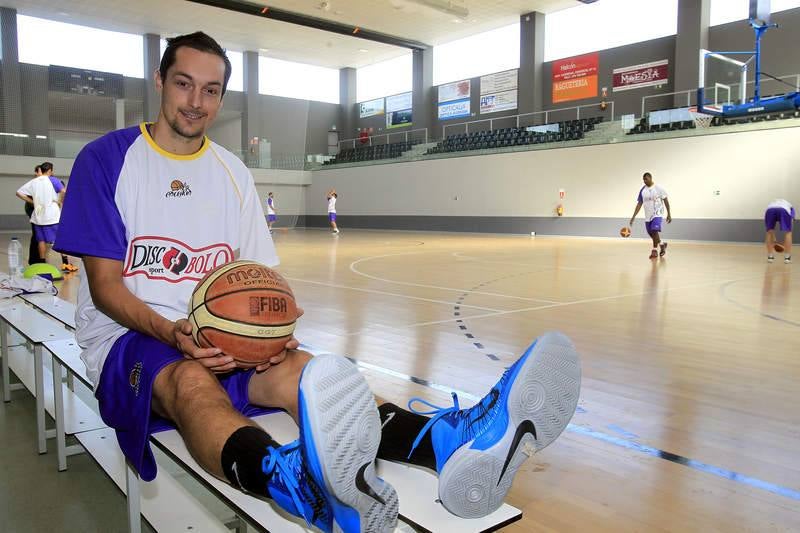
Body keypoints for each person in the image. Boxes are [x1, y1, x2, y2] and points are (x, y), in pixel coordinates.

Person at [54, 32, 580, 533]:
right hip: (132, 341)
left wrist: (273, 326)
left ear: (222, 96)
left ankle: (447, 441)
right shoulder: (107, 161)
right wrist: (175, 334)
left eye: (210, 90)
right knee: (190, 381)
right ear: (160, 80)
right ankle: (298, 486)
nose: (196, 101)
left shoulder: (232, 172)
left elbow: (259, 275)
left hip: (221, 338)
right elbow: (106, 288)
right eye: (184, 83)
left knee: (315, 374)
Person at [17, 161, 64, 266]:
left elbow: (19, 192)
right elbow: (63, 191)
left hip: (38, 216)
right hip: (50, 216)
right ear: (50, 171)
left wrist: (33, 202)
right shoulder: (53, 180)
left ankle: (42, 262)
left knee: (40, 240)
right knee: (57, 238)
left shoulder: (34, 182)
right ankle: (64, 262)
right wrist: (60, 201)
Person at [629, 172, 671, 259]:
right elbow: (639, 204)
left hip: (657, 213)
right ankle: (662, 244)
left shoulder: (658, 188)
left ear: (651, 178)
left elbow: (666, 200)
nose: (644, 181)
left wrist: (669, 214)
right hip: (648, 215)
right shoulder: (643, 190)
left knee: (654, 230)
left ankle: (654, 250)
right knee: (651, 233)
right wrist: (633, 216)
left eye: (646, 179)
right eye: (643, 180)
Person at [764, 199, 794, 264]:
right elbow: (791, 220)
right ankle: (787, 258)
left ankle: (770, 257)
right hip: (783, 210)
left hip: (769, 210)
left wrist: (774, 238)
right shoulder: (791, 207)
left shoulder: (772, 203)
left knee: (769, 231)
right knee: (788, 232)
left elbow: (770, 230)